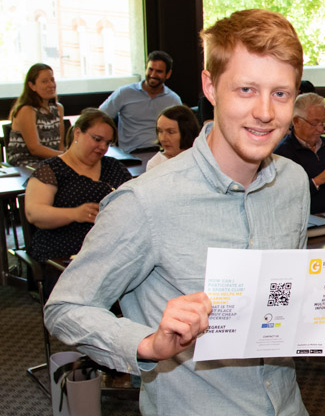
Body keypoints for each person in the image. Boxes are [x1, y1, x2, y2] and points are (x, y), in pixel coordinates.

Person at [44, 9, 325, 416]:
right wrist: (148, 344)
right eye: (246, 89)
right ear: (210, 86)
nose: (265, 113)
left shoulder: (291, 184)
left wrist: (317, 319)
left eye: (281, 94)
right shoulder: (147, 202)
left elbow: (272, 306)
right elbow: (65, 306)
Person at [24, 108, 131, 291]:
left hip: (110, 249)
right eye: (97, 139)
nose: (102, 148)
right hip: (63, 253)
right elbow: (34, 213)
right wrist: (75, 214)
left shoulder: (113, 167)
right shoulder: (51, 170)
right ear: (77, 133)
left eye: (107, 143)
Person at [275, 92, 325, 213]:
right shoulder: (282, 154)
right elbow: (283, 199)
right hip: (309, 223)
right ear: (296, 121)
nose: (320, 129)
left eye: (323, 123)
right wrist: (316, 182)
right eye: (314, 124)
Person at [99, 50, 182, 153]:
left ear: (168, 74)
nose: (153, 74)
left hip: (162, 153)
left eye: (159, 71)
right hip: (131, 154)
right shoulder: (124, 93)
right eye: (150, 69)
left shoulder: (173, 99)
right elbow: (100, 116)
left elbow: (183, 130)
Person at [6, 63, 65, 167]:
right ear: (32, 86)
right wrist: (66, 157)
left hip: (50, 162)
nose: (51, 84)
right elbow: (35, 149)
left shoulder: (58, 108)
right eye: (44, 81)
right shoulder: (26, 110)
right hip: (25, 164)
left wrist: (66, 160)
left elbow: (60, 145)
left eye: (52, 80)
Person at [146, 105, 201, 171]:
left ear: (186, 132)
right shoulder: (155, 164)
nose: (163, 138)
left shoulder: (202, 157)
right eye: (160, 131)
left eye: (170, 132)